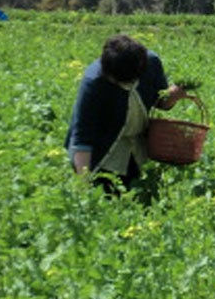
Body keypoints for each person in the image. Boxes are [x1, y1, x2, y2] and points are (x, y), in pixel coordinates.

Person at [65, 34, 188, 192]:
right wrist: (83, 185)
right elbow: (82, 137)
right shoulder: (94, 82)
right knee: (108, 198)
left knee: (139, 198)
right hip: (104, 153)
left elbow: (160, 102)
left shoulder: (150, 63)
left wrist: (172, 96)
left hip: (137, 149)